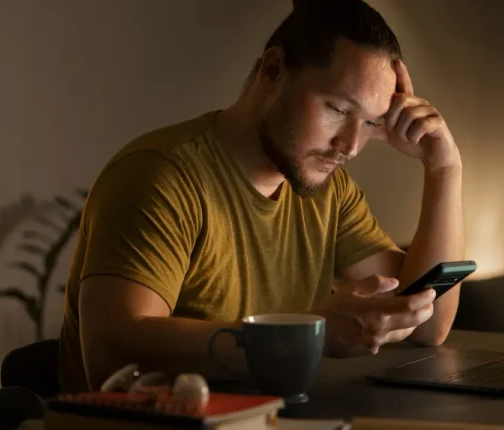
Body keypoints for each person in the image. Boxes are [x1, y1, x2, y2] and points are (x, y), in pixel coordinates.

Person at [58, 0, 466, 395]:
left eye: (371, 122)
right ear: (273, 71)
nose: (351, 145)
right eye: (338, 110)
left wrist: (444, 169)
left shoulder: (328, 192)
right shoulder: (160, 175)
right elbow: (109, 357)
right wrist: (309, 335)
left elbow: (430, 326)